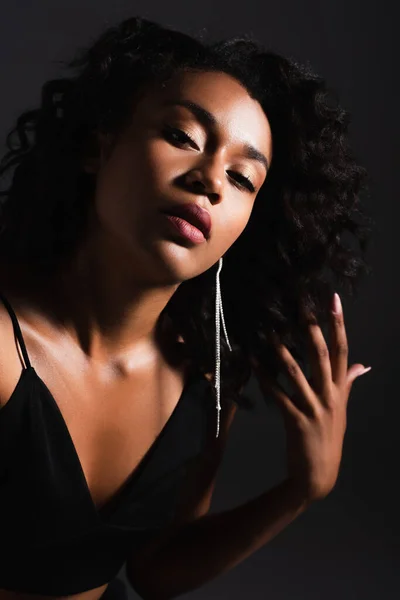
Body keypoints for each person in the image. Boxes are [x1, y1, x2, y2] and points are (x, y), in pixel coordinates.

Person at [0, 14, 373, 600]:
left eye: (243, 177)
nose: (211, 182)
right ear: (101, 146)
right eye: (182, 137)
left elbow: (156, 570)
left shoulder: (207, 378)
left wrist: (303, 489)